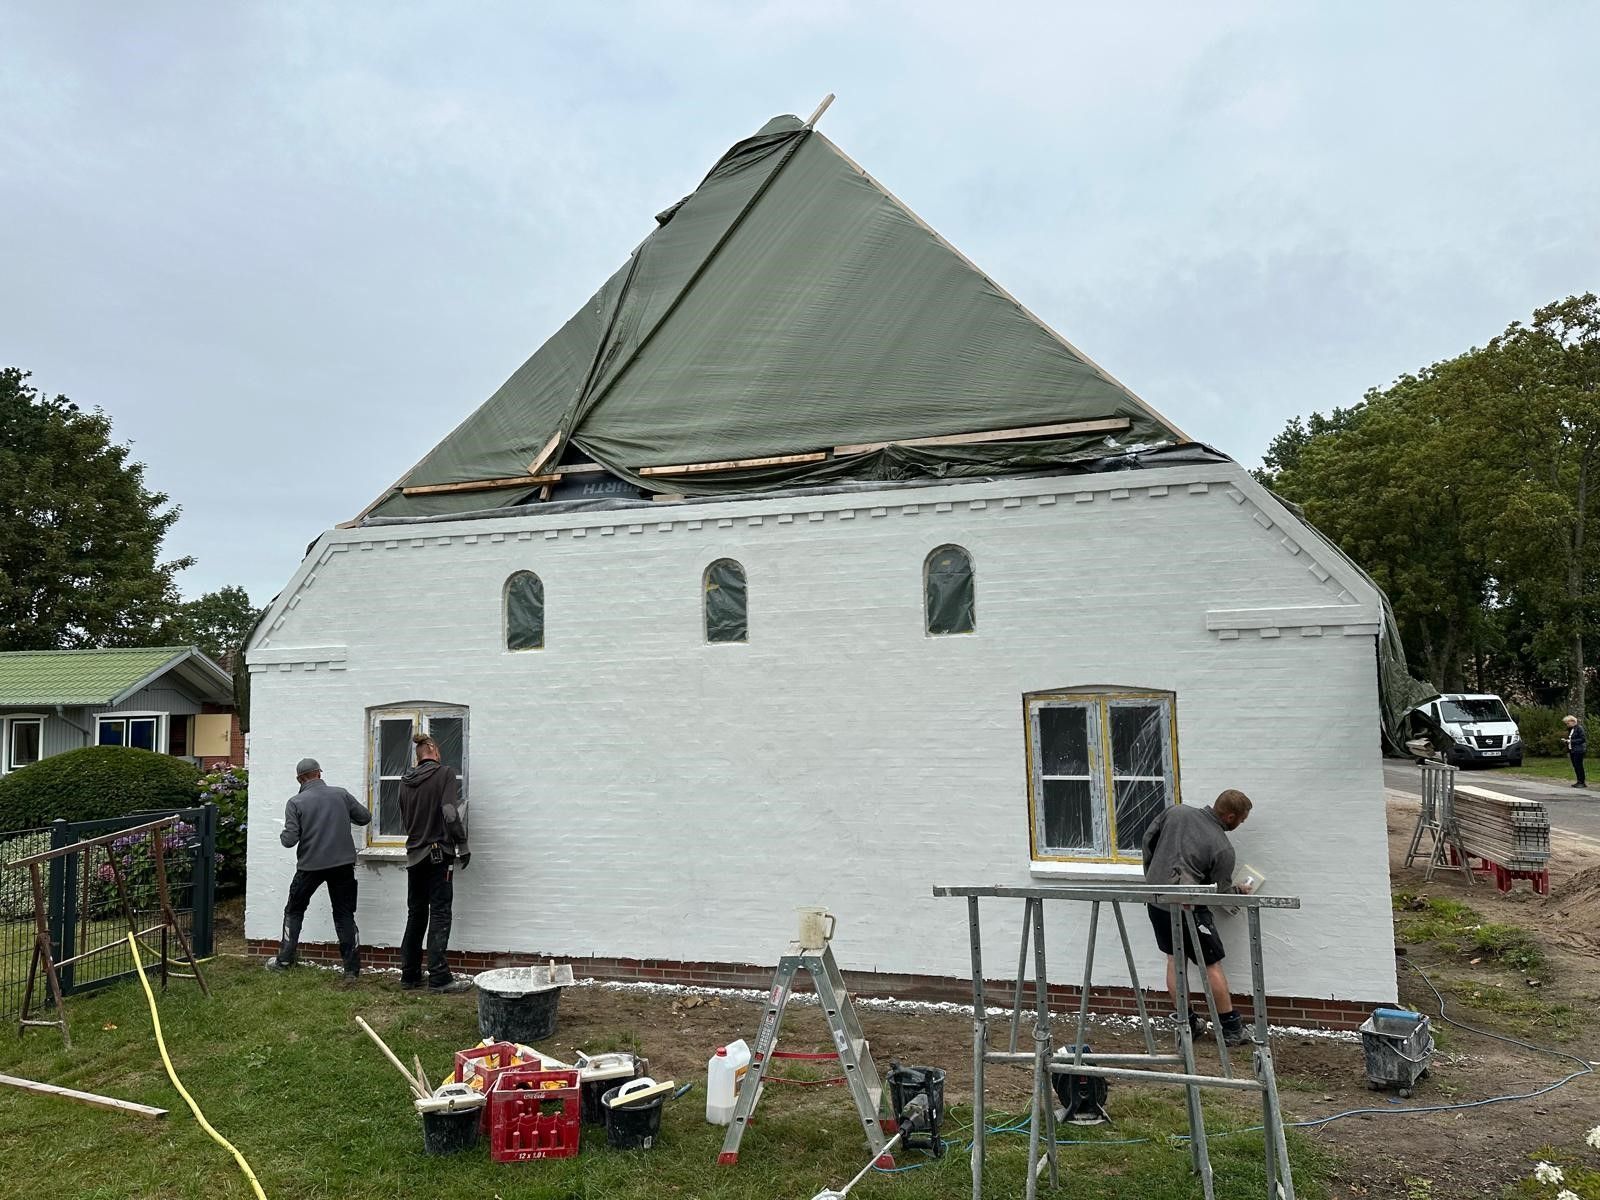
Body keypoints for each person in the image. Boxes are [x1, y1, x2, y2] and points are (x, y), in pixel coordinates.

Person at [1141, 789, 1254, 1047]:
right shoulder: (1222, 848)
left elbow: (1148, 840)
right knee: (1211, 964)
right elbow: (1220, 894)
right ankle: (1231, 1029)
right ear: (1230, 816)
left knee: (1174, 958)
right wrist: (1239, 891)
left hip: (1158, 901)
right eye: (1242, 820)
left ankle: (1187, 1023)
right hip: (1189, 908)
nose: (1241, 824)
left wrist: (1153, 878)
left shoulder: (1176, 812)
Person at [267, 757, 371, 979]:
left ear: (300, 779)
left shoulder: (295, 802)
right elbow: (364, 818)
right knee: (344, 914)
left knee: (294, 910)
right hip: (342, 865)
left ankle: (284, 960)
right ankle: (351, 970)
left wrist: (284, 832)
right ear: (319, 774)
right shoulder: (341, 794)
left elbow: (289, 840)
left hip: (310, 866)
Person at [399, 732, 472, 992]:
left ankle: (409, 976)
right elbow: (450, 813)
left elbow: (405, 818)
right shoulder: (445, 774)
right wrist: (462, 844)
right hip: (438, 854)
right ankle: (439, 978)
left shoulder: (405, 781)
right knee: (440, 913)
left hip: (414, 854)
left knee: (416, 914)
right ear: (433, 750)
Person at [1563, 715, 1587, 788]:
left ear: (1573, 721)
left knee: (1579, 766)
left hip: (1578, 750)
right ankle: (1578, 781)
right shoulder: (1571, 729)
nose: (1567, 725)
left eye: (1568, 723)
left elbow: (1582, 739)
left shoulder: (1579, 728)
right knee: (1575, 766)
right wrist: (1567, 741)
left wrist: (1571, 741)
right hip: (1572, 750)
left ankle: (1582, 782)